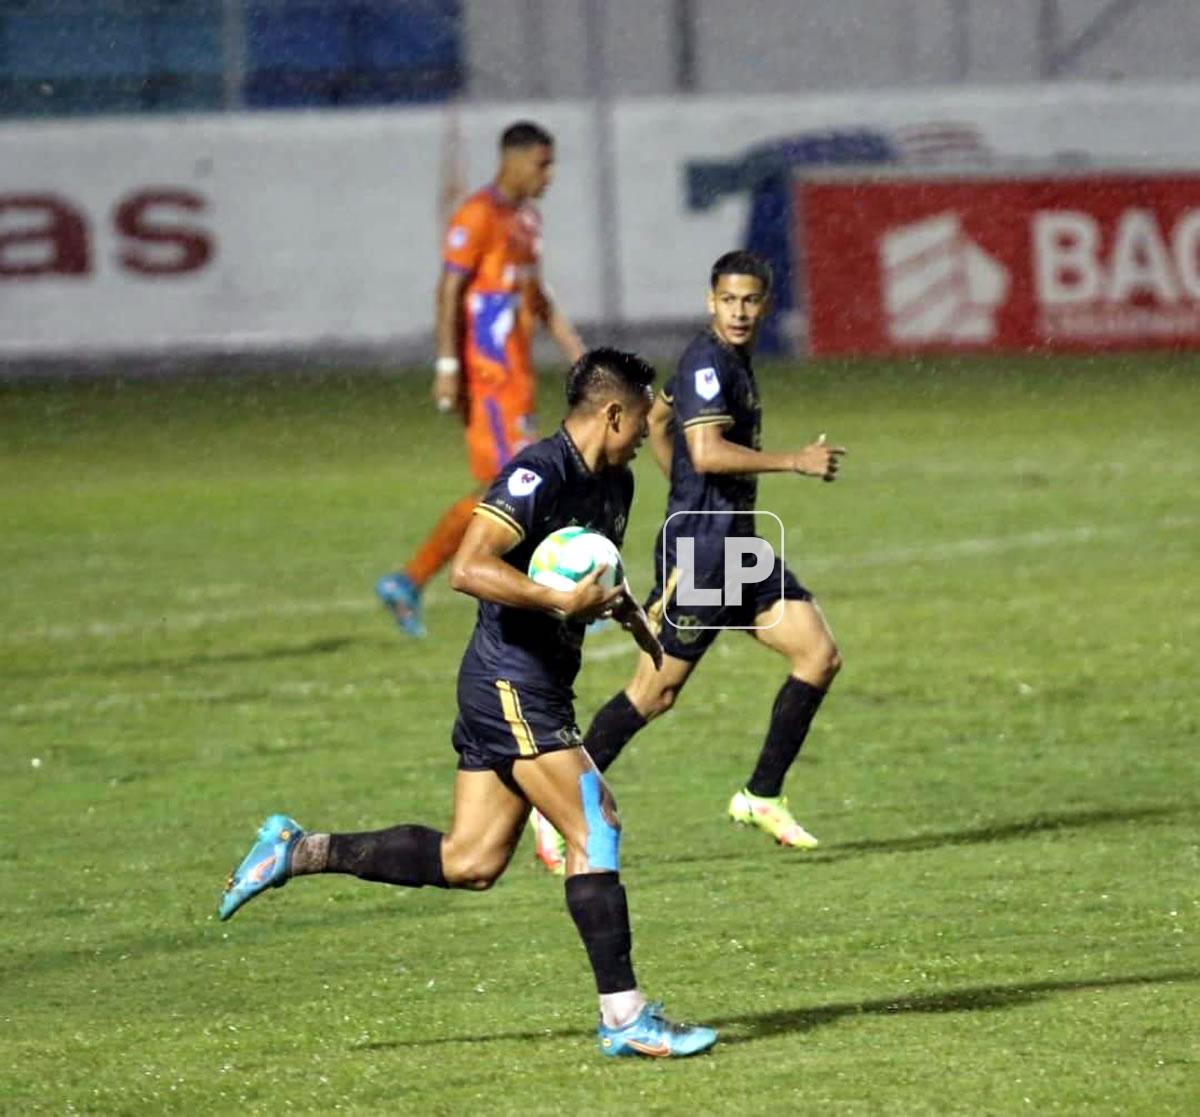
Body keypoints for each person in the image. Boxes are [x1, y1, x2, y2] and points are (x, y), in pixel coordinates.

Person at [219, 348, 718, 1060]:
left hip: (532, 680)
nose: (649, 428)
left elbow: (596, 569)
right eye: (643, 415)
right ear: (613, 411)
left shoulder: (618, 484)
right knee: (595, 820)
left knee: (473, 860)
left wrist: (635, 618)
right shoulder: (537, 472)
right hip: (509, 681)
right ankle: (625, 1016)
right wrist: (554, 598)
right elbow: (469, 566)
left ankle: (298, 849)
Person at [560, 252, 846, 855]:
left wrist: (683, 487)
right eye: (729, 300)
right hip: (704, 556)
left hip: (736, 544)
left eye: (750, 300)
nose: (739, 311)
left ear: (763, 304)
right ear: (710, 301)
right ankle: (556, 805)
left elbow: (660, 418)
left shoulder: (726, 360)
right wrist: (792, 461)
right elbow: (710, 451)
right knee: (653, 692)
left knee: (817, 655)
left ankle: (761, 796)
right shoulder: (708, 364)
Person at [376, 120, 585, 638]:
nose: (550, 175)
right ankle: (549, 595)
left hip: (517, 380)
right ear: (512, 160)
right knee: (522, 487)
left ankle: (409, 581)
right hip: (487, 380)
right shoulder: (477, 215)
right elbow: (449, 290)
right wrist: (448, 366)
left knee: (513, 490)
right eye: (543, 163)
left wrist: (582, 358)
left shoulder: (527, 221)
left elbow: (538, 299)